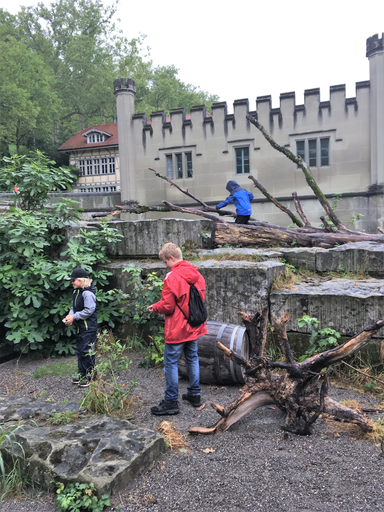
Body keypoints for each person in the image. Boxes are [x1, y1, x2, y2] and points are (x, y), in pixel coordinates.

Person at [148, 243, 207, 415]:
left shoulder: (171, 277)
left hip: (178, 328)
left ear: (172, 258)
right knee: (192, 358)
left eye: (165, 261)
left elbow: (168, 306)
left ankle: (171, 402)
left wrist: (156, 307)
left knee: (171, 363)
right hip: (194, 325)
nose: (165, 265)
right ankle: (195, 395)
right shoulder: (197, 274)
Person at [63, 268, 97, 388]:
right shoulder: (76, 292)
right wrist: (70, 316)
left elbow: (89, 310)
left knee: (87, 351)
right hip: (80, 327)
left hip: (89, 328)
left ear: (82, 280)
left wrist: (74, 316)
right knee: (79, 351)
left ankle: (90, 375)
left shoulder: (87, 293)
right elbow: (73, 307)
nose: (72, 283)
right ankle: (82, 374)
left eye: (74, 280)